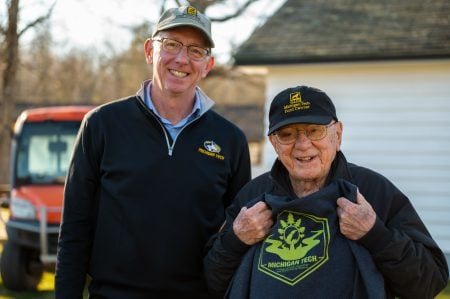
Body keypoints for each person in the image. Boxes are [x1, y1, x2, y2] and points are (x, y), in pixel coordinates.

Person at [55, 5, 251, 299]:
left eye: (196, 50)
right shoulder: (102, 125)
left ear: (207, 65)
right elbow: (74, 229)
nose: (182, 59)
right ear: (150, 51)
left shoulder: (231, 140)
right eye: (171, 44)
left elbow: (236, 239)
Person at [203, 85, 449, 298]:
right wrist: (235, 241)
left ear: (338, 134)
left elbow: (428, 284)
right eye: (287, 135)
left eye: (314, 131)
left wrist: (376, 235)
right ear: (274, 144)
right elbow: (213, 282)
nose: (302, 144)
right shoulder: (253, 196)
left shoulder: (372, 191)